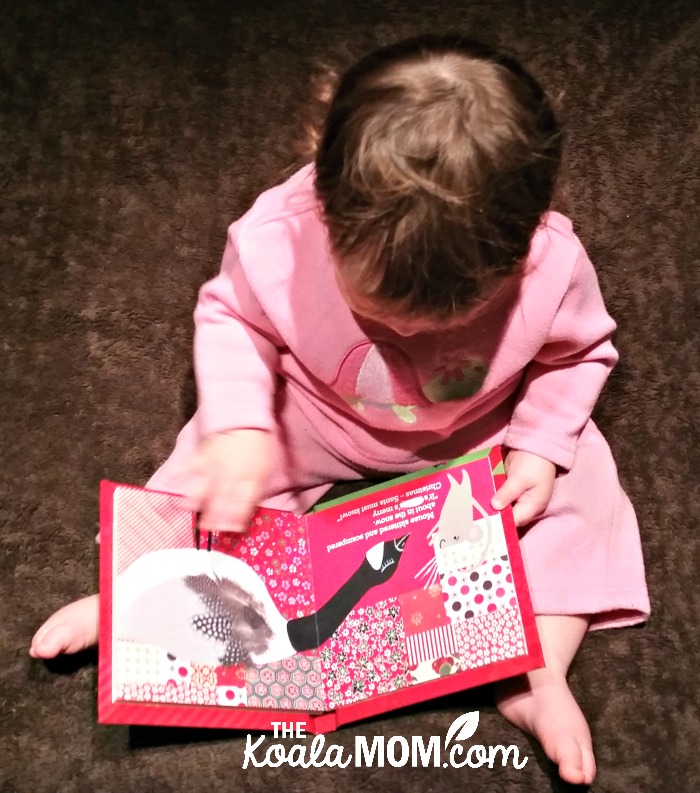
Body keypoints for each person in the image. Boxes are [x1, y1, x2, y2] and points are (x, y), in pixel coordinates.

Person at [30, 34, 649, 786]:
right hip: (313, 416)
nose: (413, 336)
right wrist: (242, 426)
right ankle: (137, 591)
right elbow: (233, 322)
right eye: (383, 310)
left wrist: (539, 446)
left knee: (585, 482)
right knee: (209, 468)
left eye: (455, 313)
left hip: (481, 428)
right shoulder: (277, 237)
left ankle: (537, 672)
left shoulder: (552, 264)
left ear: (527, 236)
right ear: (325, 203)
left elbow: (578, 355)